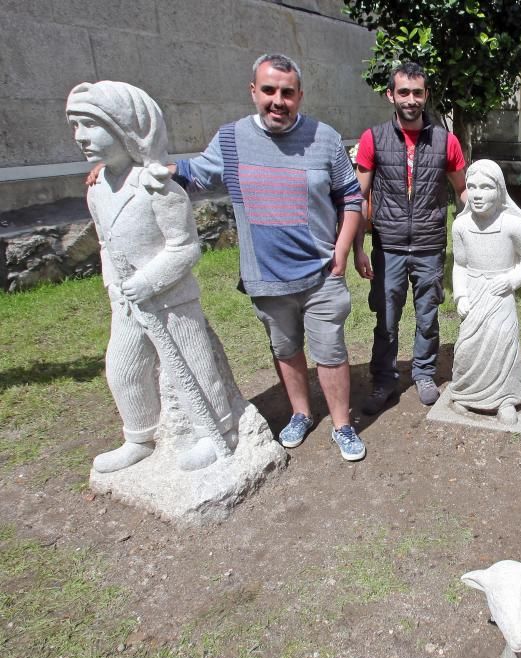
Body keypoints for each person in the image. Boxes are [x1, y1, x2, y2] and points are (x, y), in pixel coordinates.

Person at [173, 53, 366, 461]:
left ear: (299, 96)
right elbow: (189, 174)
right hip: (267, 278)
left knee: (330, 351)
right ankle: (300, 413)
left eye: (287, 92)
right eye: (269, 91)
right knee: (286, 349)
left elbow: (351, 197)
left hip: (320, 274)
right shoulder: (231, 139)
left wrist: (342, 252)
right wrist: (128, 170)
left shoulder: (324, 138)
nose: (278, 100)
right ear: (253, 91)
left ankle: (342, 424)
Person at [67, 81, 236, 473]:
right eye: (75, 126)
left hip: (171, 300)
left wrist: (148, 281)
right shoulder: (97, 190)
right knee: (123, 368)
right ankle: (139, 436)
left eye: (91, 126)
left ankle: (216, 431)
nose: (81, 138)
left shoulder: (158, 187)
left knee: (194, 366)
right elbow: (106, 243)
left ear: (126, 129)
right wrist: (116, 287)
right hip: (127, 301)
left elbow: (185, 247)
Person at [353, 62, 467, 414]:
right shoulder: (373, 139)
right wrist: (358, 248)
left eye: (418, 92)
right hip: (387, 245)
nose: (411, 99)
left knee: (428, 316)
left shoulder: (446, 141)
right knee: (386, 318)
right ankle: (384, 380)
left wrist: (481, 231)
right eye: (403, 92)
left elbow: (463, 192)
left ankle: (423, 373)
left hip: (430, 245)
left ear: (426, 95)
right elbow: (359, 196)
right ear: (391, 95)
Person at [448, 160, 521, 425]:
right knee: (468, 346)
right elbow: (460, 264)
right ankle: (465, 394)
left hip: (500, 295)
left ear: (499, 190)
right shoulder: (461, 226)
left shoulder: (512, 225)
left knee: (503, 344)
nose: (478, 194)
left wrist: (511, 280)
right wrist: (461, 296)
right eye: (472, 187)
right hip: (475, 293)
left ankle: (506, 400)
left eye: (486, 187)